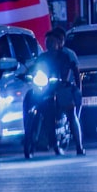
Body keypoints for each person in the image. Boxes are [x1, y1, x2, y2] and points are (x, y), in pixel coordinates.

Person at [25, 27, 84, 156]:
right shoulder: (43, 57)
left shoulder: (67, 55)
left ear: (59, 43)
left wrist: (77, 89)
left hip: (64, 88)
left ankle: (79, 146)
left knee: (71, 114)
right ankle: (32, 139)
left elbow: (75, 71)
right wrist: (27, 75)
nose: (49, 45)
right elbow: (34, 69)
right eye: (47, 42)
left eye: (52, 42)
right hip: (46, 88)